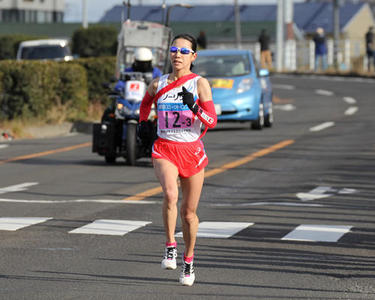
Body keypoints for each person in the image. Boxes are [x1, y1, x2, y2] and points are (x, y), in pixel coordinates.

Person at [138, 33, 217, 286]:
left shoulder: (200, 84)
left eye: (184, 51)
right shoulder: (158, 83)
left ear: (194, 56)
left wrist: (194, 107)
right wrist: (142, 123)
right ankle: (170, 246)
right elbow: (145, 103)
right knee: (171, 195)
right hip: (165, 148)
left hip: (191, 151)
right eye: (174, 49)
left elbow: (212, 121)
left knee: (189, 213)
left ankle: (189, 260)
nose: (178, 54)